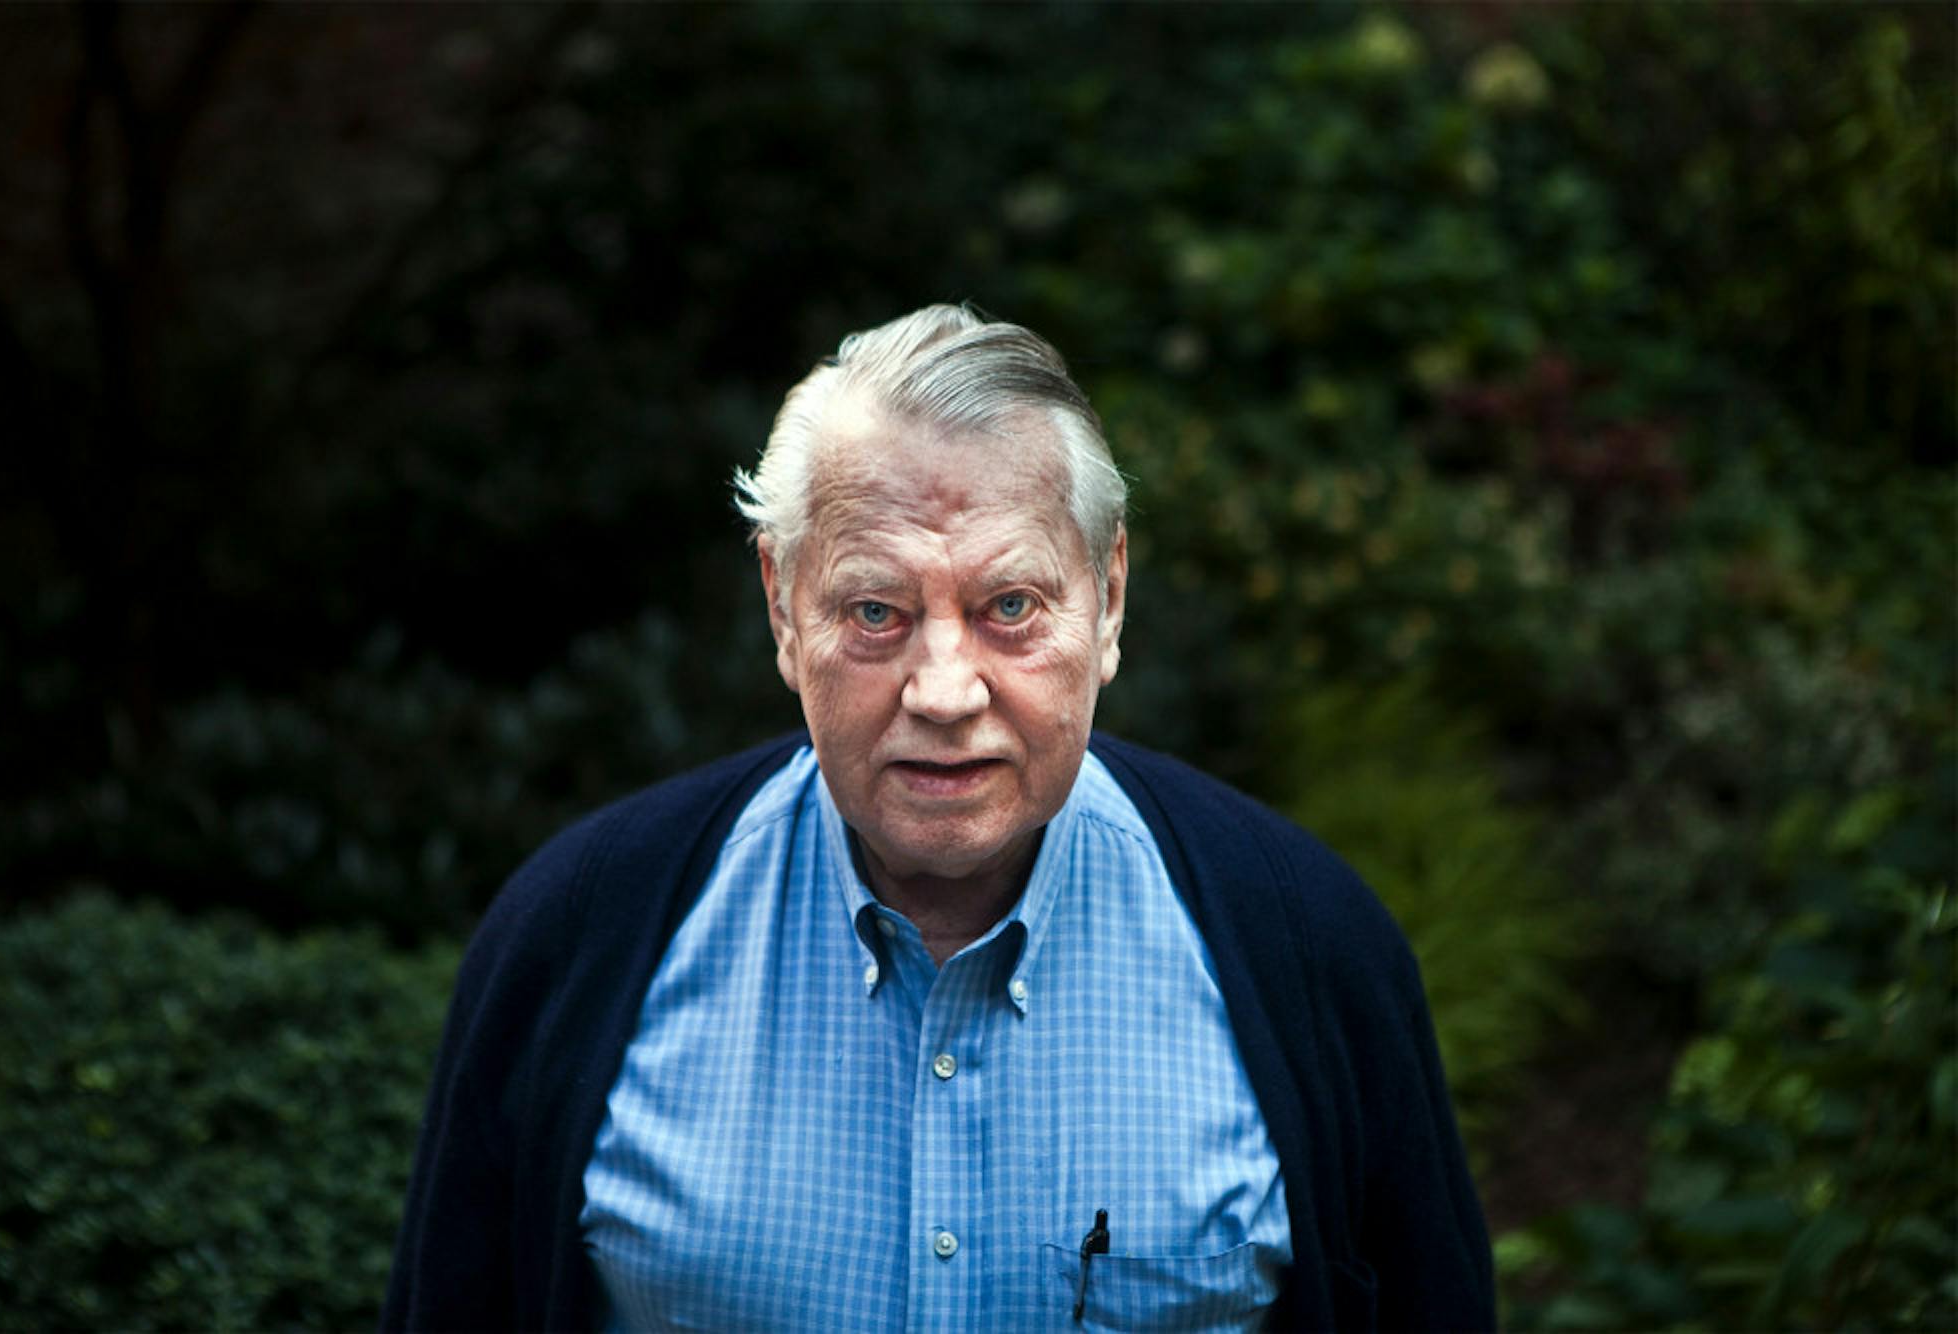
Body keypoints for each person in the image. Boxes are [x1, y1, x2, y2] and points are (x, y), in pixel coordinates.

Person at [383, 305, 1494, 1332]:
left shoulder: (1311, 948)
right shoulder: (575, 933)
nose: (945, 690)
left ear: (1108, 597)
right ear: (782, 606)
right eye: (877, 611)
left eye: (1010, 605)